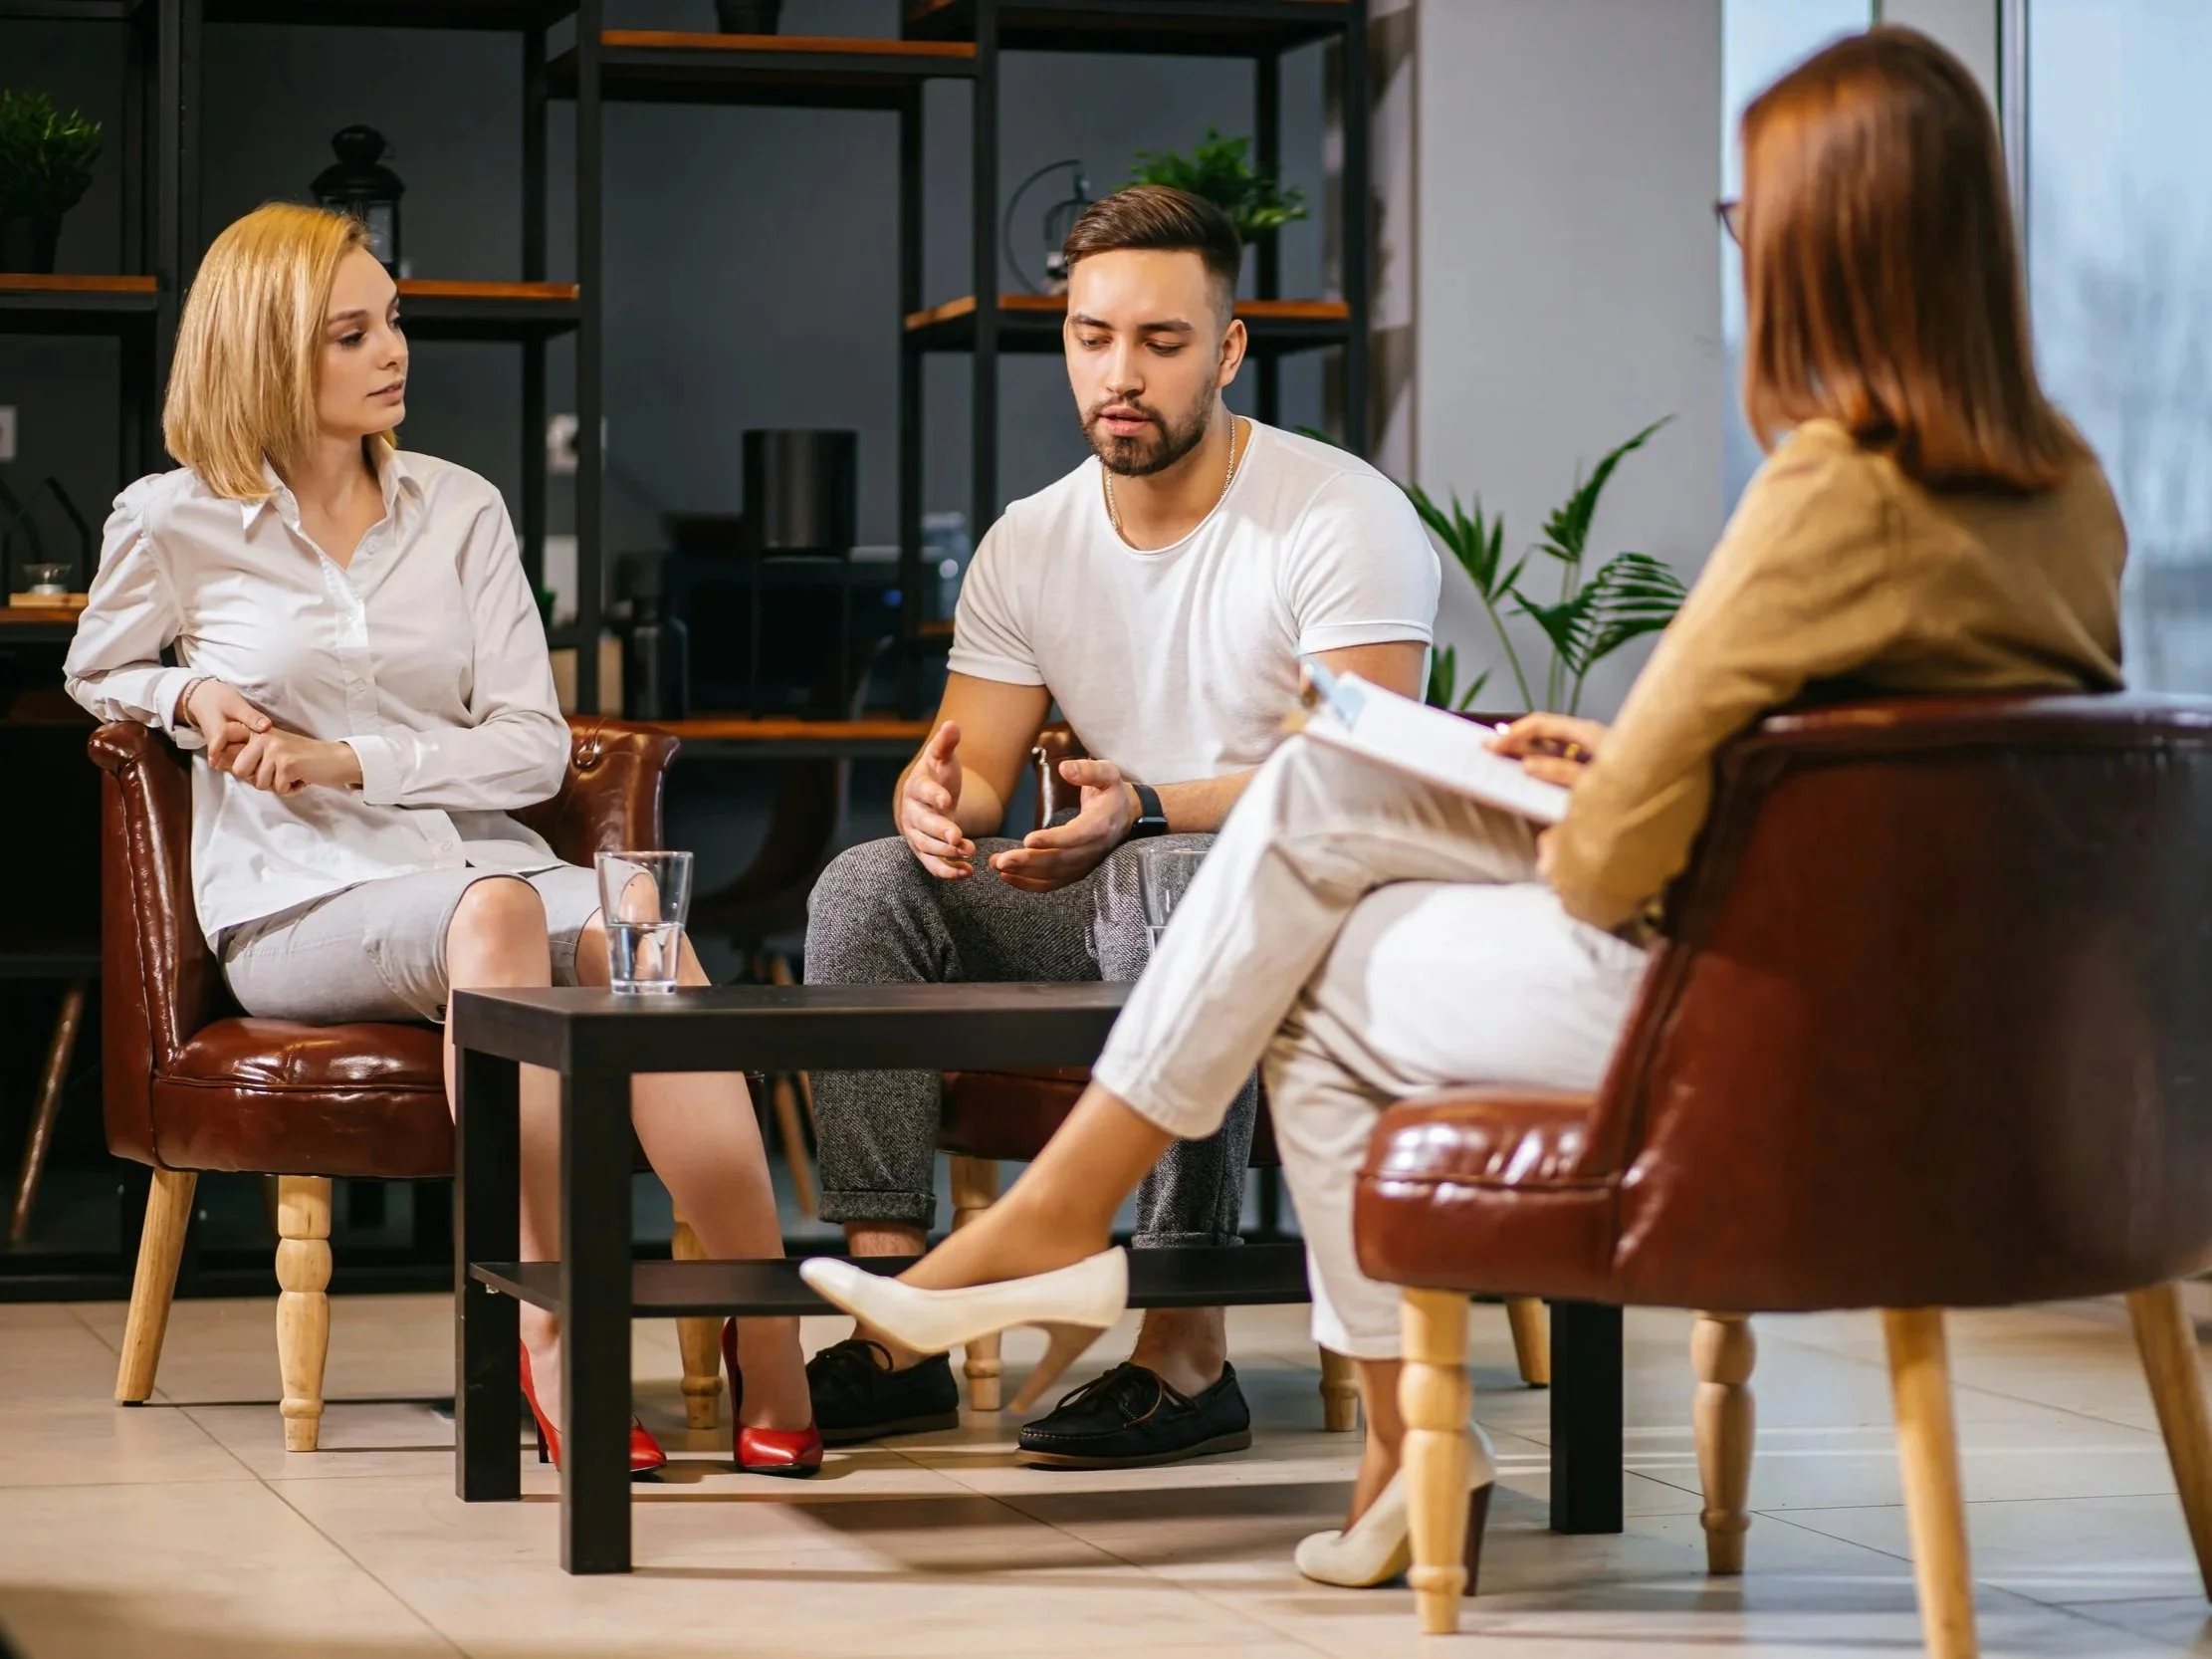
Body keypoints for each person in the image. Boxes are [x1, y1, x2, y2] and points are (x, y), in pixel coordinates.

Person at [801, 23, 2127, 1584]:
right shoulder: (2063, 488)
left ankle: (1111, 1265)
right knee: (1304, 855)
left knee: (1299, 882)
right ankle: (1362, 1436)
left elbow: (1633, 857)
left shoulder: (1826, 490)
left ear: (1825, 246)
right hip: (1926, 1015)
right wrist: (1607, 762)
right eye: (1093, 336)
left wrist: (1612, 791)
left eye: (1741, 223)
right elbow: (1856, 784)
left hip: (1749, 1015)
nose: (1734, 253)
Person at [65, 202, 818, 1479]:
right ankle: (551, 1327)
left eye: (393, 321)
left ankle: (768, 1325)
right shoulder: (171, 518)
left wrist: (347, 756)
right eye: (350, 333)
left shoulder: (459, 507)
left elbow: (531, 744)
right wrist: (188, 696)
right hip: (298, 904)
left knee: (632, 922)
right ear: (263, 354)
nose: (392, 352)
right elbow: (99, 668)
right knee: (501, 914)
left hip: (475, 862)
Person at [802, 184, 1440, 1467]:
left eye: (1159, 340)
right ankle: (899, 1318)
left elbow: (1360, 773)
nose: (1120, 373)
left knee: (1164, 878)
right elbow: (971, 771)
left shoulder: (1338, 512)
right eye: (1092, 338)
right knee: (863, 888)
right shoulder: (1030, 541)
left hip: (1312, 912)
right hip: (1106, 884)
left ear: (1228, 347)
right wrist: (932, 804)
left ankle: (1182, 1342)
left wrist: (1145, 805)